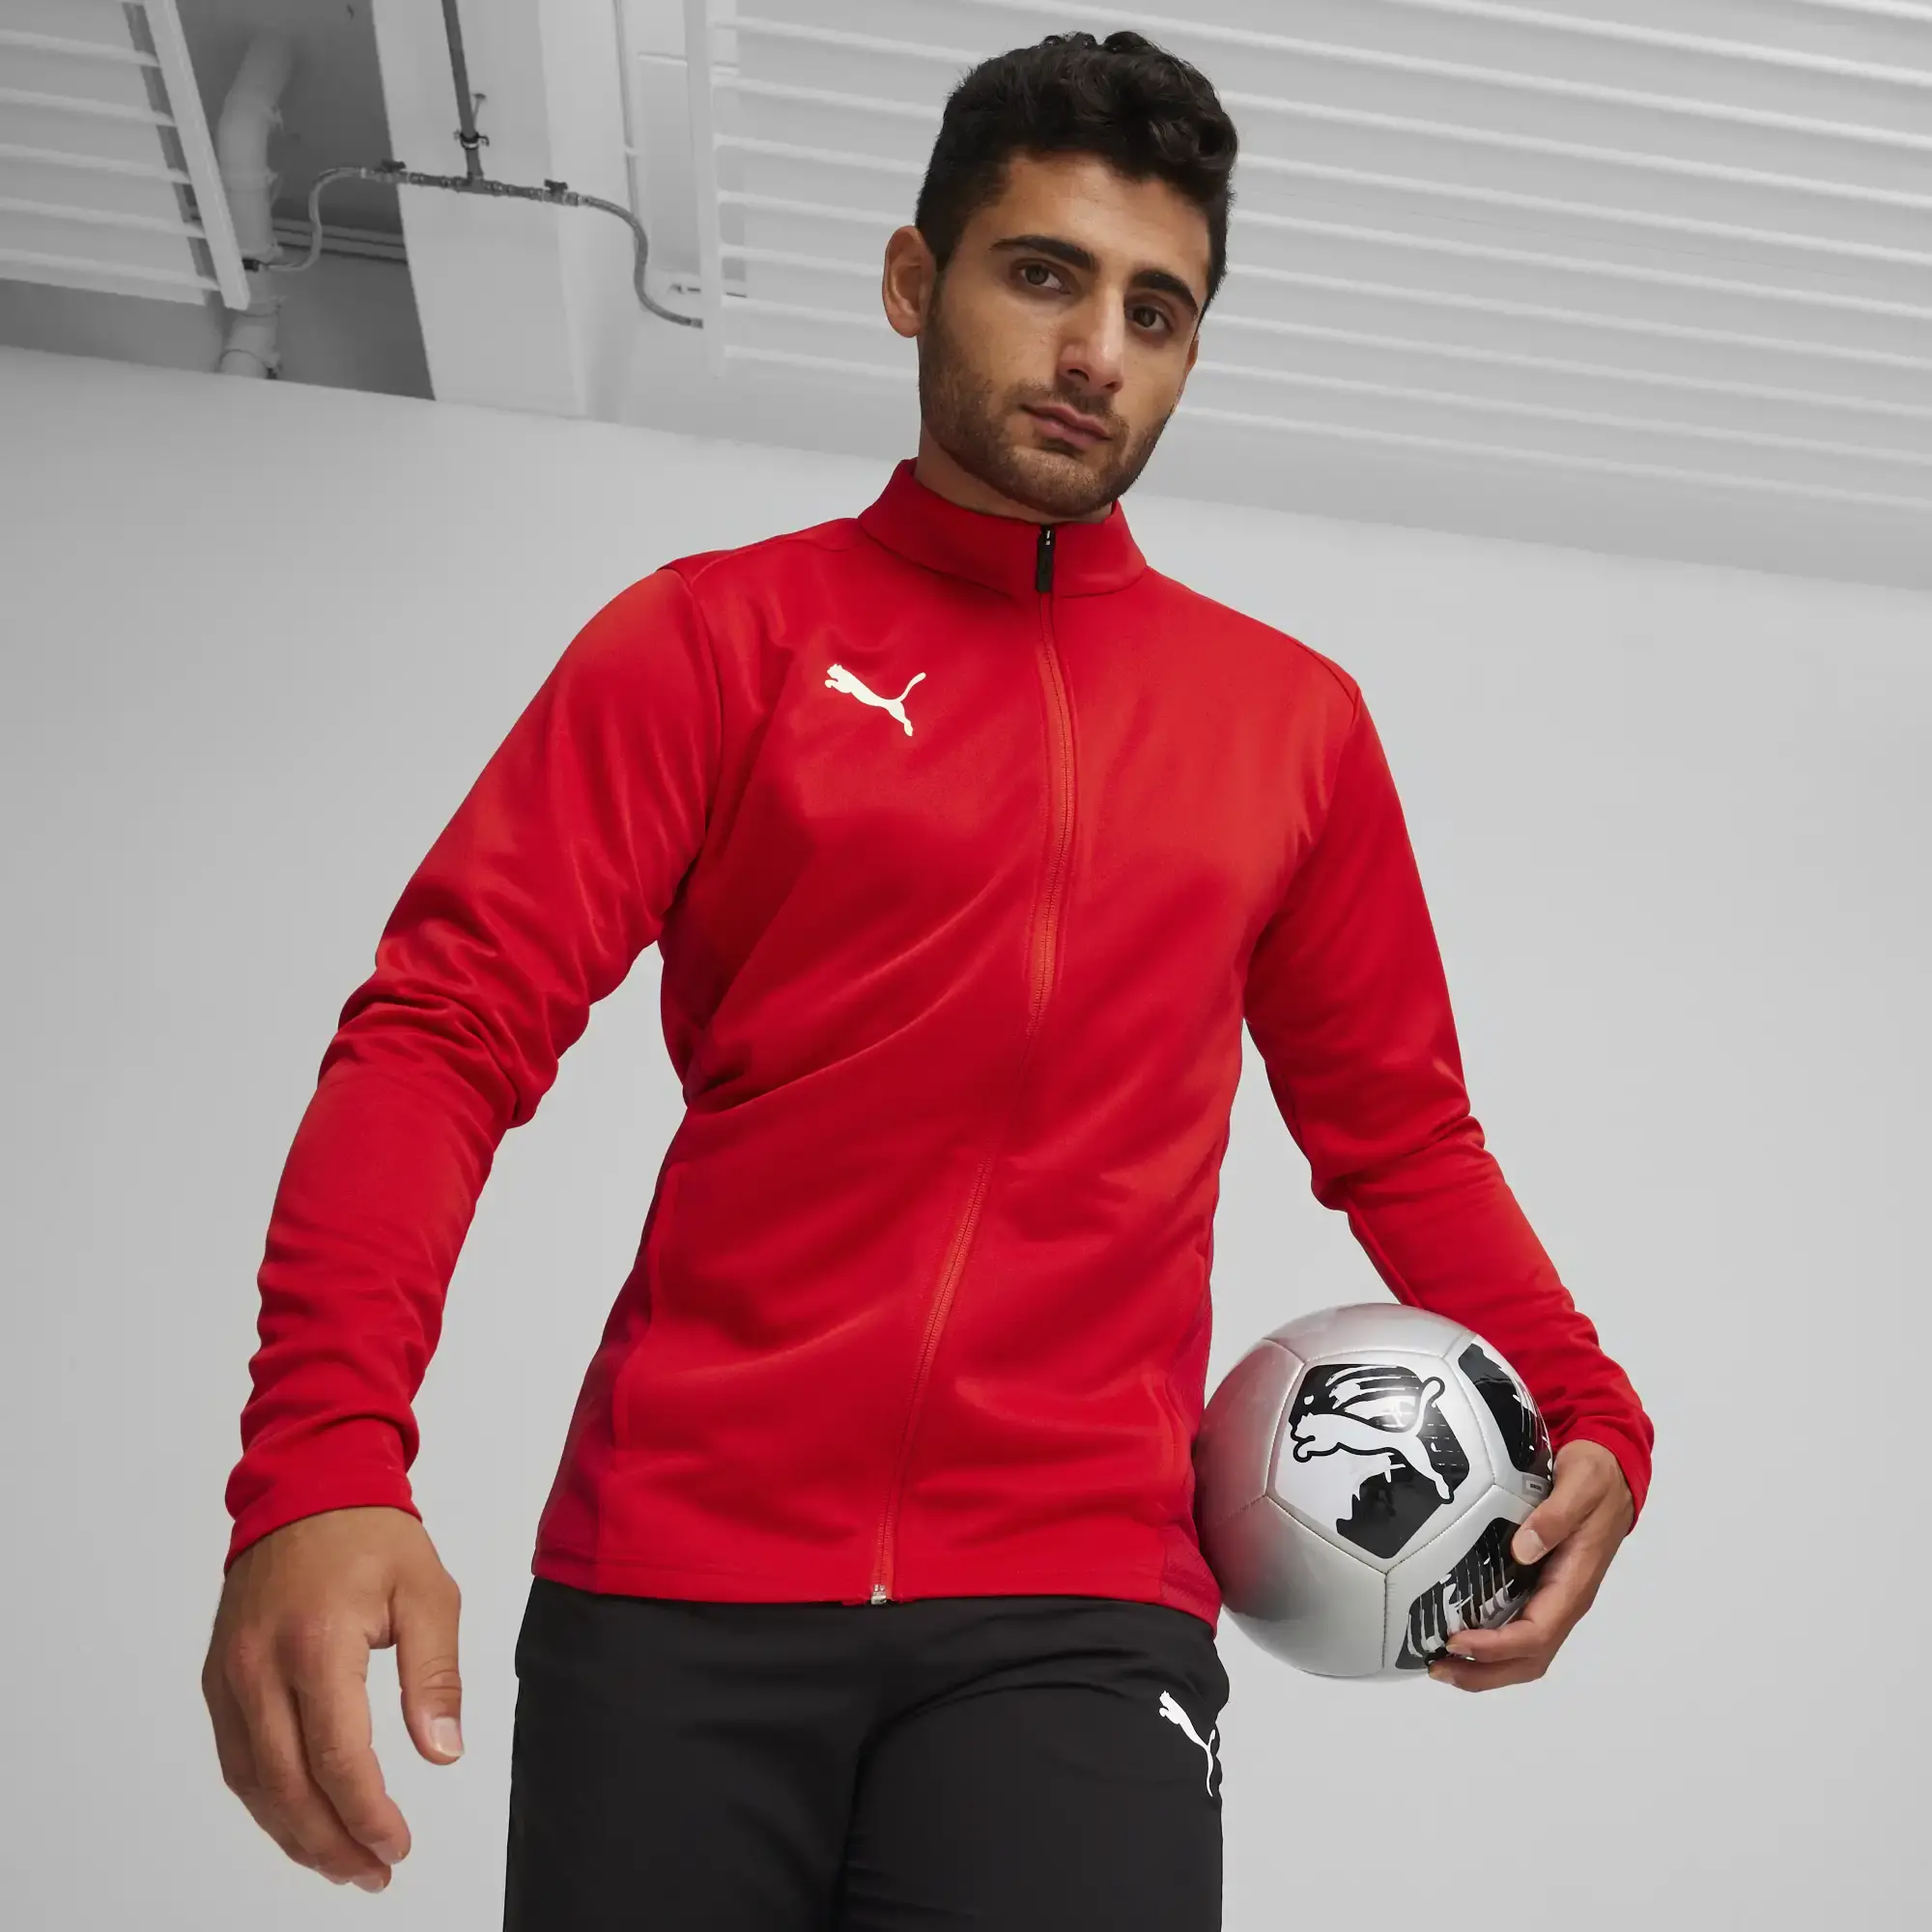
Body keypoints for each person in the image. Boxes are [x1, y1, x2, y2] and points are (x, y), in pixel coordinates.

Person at [200, 30, 1653, 1930]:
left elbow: (1401, 1133)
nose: (1095, 351)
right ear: (914, 278)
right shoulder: (714, 642)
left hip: (1075, 1614)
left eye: (1155, 310)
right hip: (672, 1589)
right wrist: (319, 1465)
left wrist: (1590, 1408)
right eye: (1043, 273)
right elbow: (439, 1037)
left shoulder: (1289, 728)